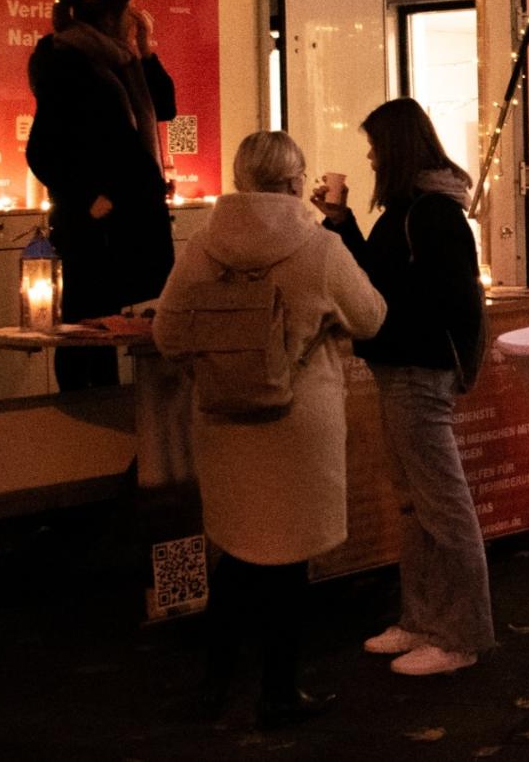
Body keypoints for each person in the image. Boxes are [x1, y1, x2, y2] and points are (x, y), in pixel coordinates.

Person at [153, 132, 385, 727]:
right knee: (286, 561)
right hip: (296, 421)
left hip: (223, 418)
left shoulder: (203, 247)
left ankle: (215, 684)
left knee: (239, 550)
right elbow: (372, 317)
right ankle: (279, 692)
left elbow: (167, 335)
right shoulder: (321, 248)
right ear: (292, 181)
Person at [313, 97, 494, 676]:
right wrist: (343, 225)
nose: (367, 156)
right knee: (416, 505)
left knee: (443, 507)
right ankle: (421, 621)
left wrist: (456, 364)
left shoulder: (431, 214)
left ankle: (461, 635)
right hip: (405, 368)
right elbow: (382, 282)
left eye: (373, 145)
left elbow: (444, 298)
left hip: (418, 372)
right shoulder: (412, 210)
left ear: (393, 148)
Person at [26, 0, 178, 389]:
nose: (133, 21)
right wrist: (86, 198)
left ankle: (113, 407)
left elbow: (165, 106)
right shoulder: (67, 61)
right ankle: (85, 410)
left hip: (128, 213)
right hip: (98, 221)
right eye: (129, 14)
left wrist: (146, 50)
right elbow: (42, 148)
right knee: (87, 321)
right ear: (113, 15)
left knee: (116, 321)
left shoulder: (121, 60)